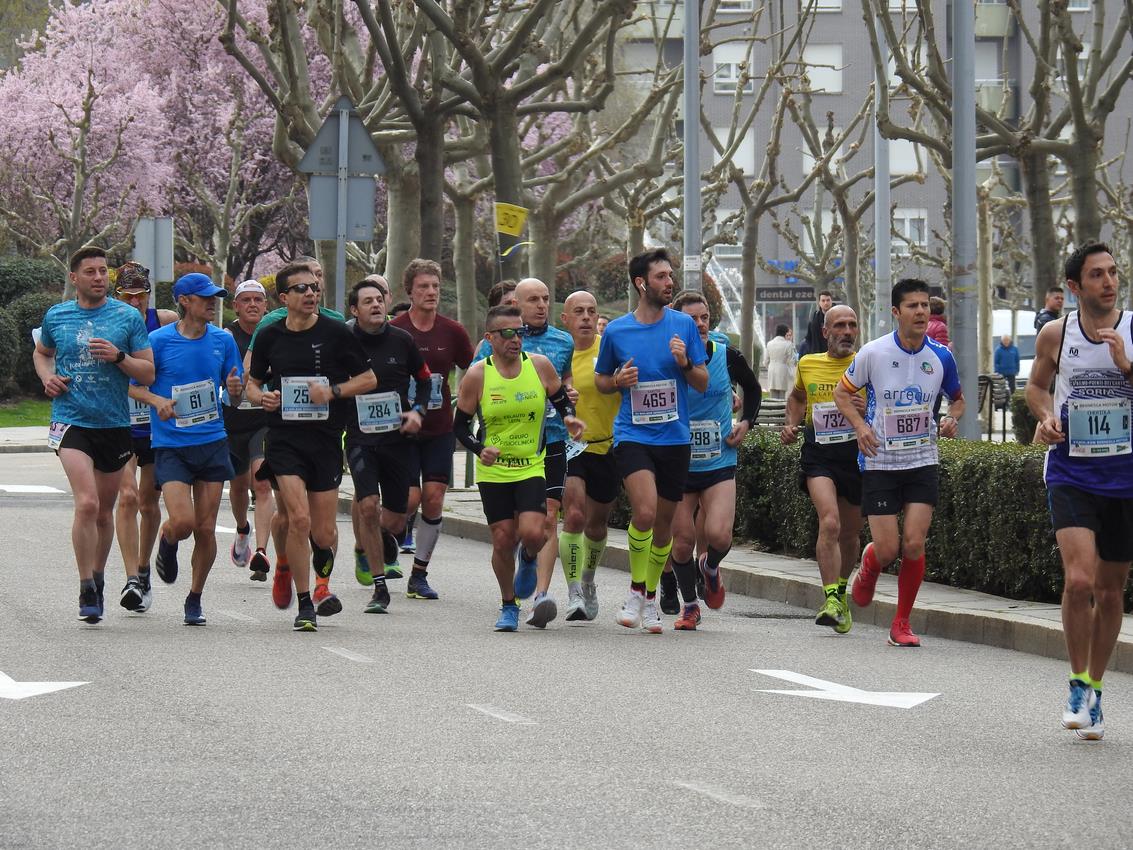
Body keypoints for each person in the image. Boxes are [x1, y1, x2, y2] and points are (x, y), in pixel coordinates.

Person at [1026, 241, 1132, 741]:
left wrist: (1126, 365)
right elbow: (1036, 386)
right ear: (1074, 287)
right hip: (1071, 470)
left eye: (1112, 272)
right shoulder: (1057, 332)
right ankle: (1075, 681)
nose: (1108, 282)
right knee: (1080, 581)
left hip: (1126, 476)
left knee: (1112, 590)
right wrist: (1046, 417)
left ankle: (1096, 685)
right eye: (1096, 275)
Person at [245, 262, 377, 631]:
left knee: (324, 533)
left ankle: (299, 570)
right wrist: (262, 398)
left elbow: (368, 378)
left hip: (325, 440)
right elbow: (252, 385)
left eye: (314, 287)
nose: (310, 293)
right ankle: (307, 602)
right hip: (284, 439)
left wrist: (333, 392)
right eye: (301, 289)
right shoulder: (270, 336)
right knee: (298, 519)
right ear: (284, 297)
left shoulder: (336, 333)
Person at [833, 278, 965, 648]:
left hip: (923, 460)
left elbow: (958, 398)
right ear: (896, 312)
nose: (921, 311)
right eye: (912, 306)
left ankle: (901, 622)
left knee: (914, 544)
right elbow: (842, 393)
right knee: (888, 548)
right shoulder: (873, 353)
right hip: (880, 462)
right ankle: (870, 564)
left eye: (924, 305)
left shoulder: (940, 356)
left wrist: (952, 417)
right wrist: (859, 427)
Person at [34, 245, 155, 623]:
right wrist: (47, 378)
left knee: (104, 512)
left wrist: (119, 357)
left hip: (115, 424)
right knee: (86, 503)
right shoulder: (58, 315)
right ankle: (86, 585)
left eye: (103, 271)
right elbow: (42, 353)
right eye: (91, 272)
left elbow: (147, 373)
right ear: (74, 278)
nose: (99, 277)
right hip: (71, 420)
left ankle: (99, 577)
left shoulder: (126, 317)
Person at [594, 247, 708, 633]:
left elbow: (702, 382)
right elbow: (601, 379)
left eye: (670, 276)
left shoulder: (683, 326)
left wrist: (685, 364)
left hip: (674, 438)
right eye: (661, 276)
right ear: (641, 283)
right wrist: (616, 382)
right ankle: (636, 589)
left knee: (664, 526)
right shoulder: (617, 331)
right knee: (643, 513)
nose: (669, 282)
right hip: (633, 433)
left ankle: (650, 598)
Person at [453, 305, 584, 631]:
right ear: (490, 338)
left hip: (530, 466)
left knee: (533, 533)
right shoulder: (478, 375)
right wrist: (479, 448)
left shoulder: (539, 366)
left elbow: (559, 398)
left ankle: (528, 559)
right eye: (508, 333)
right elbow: (459, 426)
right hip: (494, 471)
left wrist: (569, 416)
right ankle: (508, 605)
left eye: (520, 332)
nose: (516, 339)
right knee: (502, 539)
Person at [130, 274, 244, 625]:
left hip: (211, 442)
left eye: (215, 297)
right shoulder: (158, 341)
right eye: (204, 297)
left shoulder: (223, 341)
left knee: (206, 529)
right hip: (172, 445)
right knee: (183, 522)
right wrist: (157, 400)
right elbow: (134, 388)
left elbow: (235, 394)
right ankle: (167, 538)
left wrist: (236, 389)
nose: (212, 303)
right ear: (184, 301)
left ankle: (194, 598)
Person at [664, 290, 760, 630]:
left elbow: (754, 389)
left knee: (718, 536)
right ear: (677, 324)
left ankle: (711, 567)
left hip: (719, 460)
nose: (701, 324)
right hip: (677, 462)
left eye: (704, 317)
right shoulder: (664, 359)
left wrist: (746, 422)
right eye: (692, 319)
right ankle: (690, 605)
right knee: (683, 542)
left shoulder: (725, 356)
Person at [344, 278, 432, 614]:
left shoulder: (402, 340)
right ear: (355, 310)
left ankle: (372, 541)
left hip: (398, 440)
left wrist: (418, 412)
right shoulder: (345, 341)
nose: (377, 305)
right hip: (360, 439)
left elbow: (424, 382)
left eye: (379, 299)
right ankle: (379, 588)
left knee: (395, 522)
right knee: (368, 506)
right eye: (367, 301)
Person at [390, 258, 475, 600]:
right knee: (408, 499)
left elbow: (474, 369)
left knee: (434, 497)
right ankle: (384, 541)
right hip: (402, 430)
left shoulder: (452, 331)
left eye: (435, 287)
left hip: (440, 428)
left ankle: (419, 574)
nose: (430, 292)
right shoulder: (395, 330)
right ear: (409, 290)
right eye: (423, 286)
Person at [781, 305, 865, 634]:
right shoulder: (808, 363)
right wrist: (791, 424)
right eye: (840, 326)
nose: (847, 331)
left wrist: (866, 407)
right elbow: (797, 396)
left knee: (849, 533)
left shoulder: (866, 365)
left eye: (852, 325)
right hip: (820, 454)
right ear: (826, 331)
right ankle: (830, 598)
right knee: (829, 522)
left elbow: (886, 408)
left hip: (857, 455)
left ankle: (841, 592)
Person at [112, 262, 177, 612]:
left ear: (149, 295)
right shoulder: (108, 322)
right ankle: (131, 580)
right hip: (120, 423)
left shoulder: (164, 320)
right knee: (126, 497)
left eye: (140, 295)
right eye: (127, 295)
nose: (134, 302)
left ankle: (143, 568)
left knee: (149, 502)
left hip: (154, 427)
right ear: (117, 295)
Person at [559, 290, 621, 621]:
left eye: (591, 311)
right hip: (571, 448)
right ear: (565, 319)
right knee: (575, 516)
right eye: (578, 311)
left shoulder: (609, 350)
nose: (586, 317)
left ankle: (588, 580)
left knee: (596, 526)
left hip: (607, 446)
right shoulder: (559, 354)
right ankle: (573, 593)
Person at [224, 280, 275, 581]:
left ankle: (262, 551)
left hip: (263, 421)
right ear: (236, 306)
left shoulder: (272, 334)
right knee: (239, 485)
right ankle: (243, 527)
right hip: (232, 421)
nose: (253, 304)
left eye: (259, 299)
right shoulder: (225, 336)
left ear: (266, 305)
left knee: (263, 482)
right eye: (246, 300)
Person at [765, 324, 796, 399]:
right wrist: (793, 374)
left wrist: (769, 368)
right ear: (785, 333)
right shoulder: (788, 344)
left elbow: (766, 361)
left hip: (771, 369)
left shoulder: (769, 344)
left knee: (772, 395)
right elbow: (791, 361)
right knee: (782, 396)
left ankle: (772, 410)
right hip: (783, 369)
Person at [804, 290, 833, 355]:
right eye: (823, 300)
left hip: (835, 355)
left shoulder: (838, 317)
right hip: (817, 355)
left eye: (828, 300)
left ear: (831, 301)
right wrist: (811, 350)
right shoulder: (814, 319)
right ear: (819, 302)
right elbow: (809, 338)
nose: (826, 303)